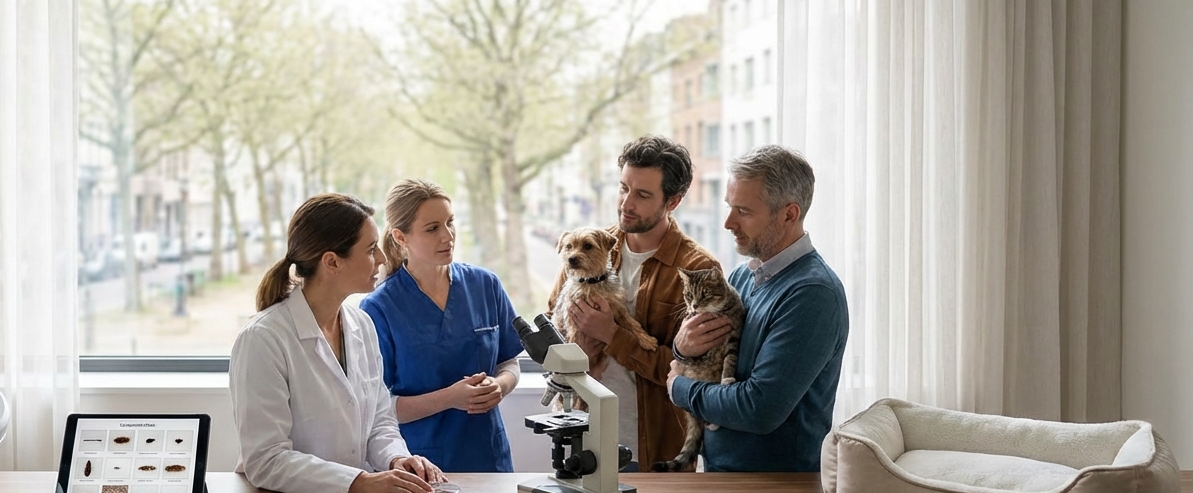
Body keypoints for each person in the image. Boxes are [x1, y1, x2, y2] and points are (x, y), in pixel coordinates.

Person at [230, 193, 445, 493]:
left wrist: (396, 458)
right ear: (332, 262)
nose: (382, 258)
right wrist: (360, 482)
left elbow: (379, 420)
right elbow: (265, 460)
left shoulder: (361, 324)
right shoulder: (263, 339)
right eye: (370, 249)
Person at [668, 145, 849, 472]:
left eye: (744, 211)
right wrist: (682, 349)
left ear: (789, 214)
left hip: (775, 489)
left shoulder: (812, 294)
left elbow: (759, 408)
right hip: (725, 477)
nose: (728, 223)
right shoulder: (741, 277)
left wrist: (680, 388)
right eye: (729, 207)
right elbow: (713, 356)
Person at [547, 135, 721, 471]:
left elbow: (695, 375)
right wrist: (578, 354)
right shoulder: (589, 249)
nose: (626, 203)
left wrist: (613, 335)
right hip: (583, 434)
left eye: (642, 195)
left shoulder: (697, 269)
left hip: (654, 450)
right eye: (623, 188)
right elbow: (550, 327)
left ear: (673, 201)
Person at [360, 179, 524, 472]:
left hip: (490, 456)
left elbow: (509, 362)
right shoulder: (379, 308)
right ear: (400, 237)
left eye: (450, 222)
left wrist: (500, 386)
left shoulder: (485, 285)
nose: (447, 236)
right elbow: (379, 409)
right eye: (432, 228)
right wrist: (450, 398)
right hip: (422, 464)